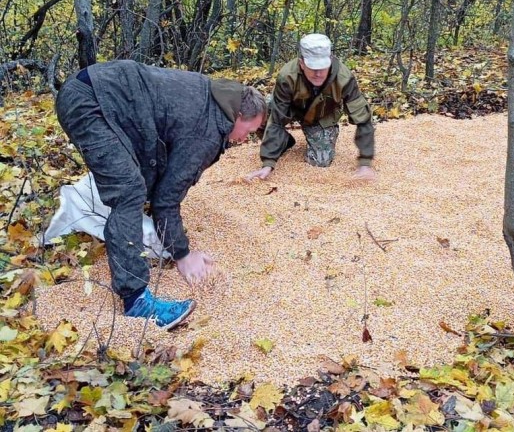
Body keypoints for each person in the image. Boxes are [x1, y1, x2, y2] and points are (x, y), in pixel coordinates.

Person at [55, 60, 266, 330]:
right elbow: (166, 199)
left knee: (133, 182)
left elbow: (160, 154)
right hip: (91, 103)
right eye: (247, 131)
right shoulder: (208, 130)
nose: (244, 139)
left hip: (98, 92)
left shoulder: (213, 94)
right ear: (237, 115)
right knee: (128, 191)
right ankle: (136, 301)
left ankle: (127, 232)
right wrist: (182, 253)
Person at [245, 34, 376, 181]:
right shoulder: (287, 76)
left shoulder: (344, 77)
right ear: (301, 63)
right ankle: (283, 142)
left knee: (320, 161)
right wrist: (268, 163)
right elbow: (276, 118)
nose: (318, 73)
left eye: (322, 67)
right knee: (255, 116)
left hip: (320, 116)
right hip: (291, 108)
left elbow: (363, 118)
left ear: (330, 61)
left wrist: (365, 163)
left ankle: (314, 136)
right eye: (313, 67)